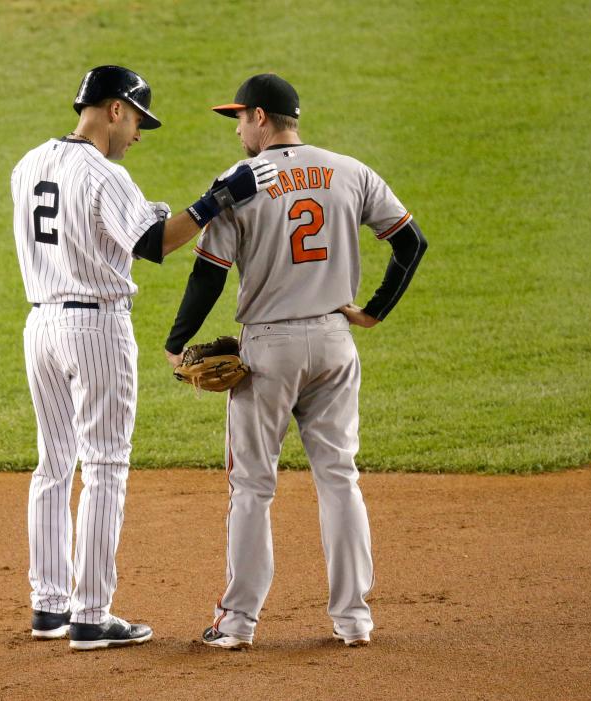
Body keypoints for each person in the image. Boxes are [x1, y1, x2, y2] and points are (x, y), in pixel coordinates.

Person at [12, 65, 278, 651]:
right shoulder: (105, 176)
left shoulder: (28, 164)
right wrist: (213, 202)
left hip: (41, 325)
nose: (137, 133)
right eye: (136, 120)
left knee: (53, 465)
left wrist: (162, 210)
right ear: (112, 109)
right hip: (96, 329)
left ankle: (49, 606)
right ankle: (91, 614)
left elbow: (93, 228)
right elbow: (153, 244)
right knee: (104, 466)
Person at [164, 74, 428, 649]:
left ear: (261, 118)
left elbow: (207, 273)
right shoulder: (349, 170)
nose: (237, 130)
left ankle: (236, 624)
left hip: (269, 351)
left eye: (239, 119)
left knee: (252, 486)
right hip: (336, 341)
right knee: (339, 479)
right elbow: (411, 242)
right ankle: (354, 620)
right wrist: (375, 311)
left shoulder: (241, 183)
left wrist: (176, 339)